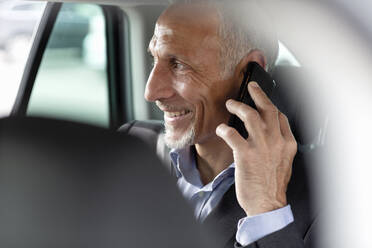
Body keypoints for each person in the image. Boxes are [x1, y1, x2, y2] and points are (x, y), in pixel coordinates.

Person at [121, 0, 318, 247]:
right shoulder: (130, 146)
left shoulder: (326, 202)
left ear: (251, 71)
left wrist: (267, 209)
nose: (151, 92)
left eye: (179, 65)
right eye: (155, 59)